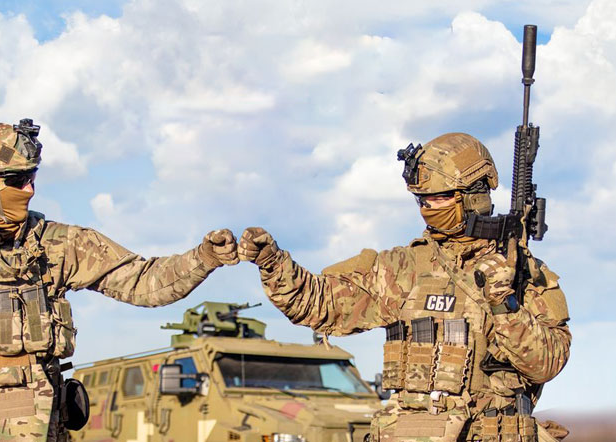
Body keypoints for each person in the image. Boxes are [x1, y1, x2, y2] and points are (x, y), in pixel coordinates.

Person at [0, 120, 238, 441]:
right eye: (16, 180)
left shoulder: (59, 245)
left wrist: (204, 258)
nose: (29, 189)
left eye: (32, 177)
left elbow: (144, 283)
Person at [237, 133, 570, 441]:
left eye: (438, 198)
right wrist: (273, 263)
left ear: (473, 196)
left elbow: (546, 365)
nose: (428, 208)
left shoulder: (523, 272)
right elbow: (317, 304)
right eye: (422, 200)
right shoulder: (405, 268)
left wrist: (504, 305)